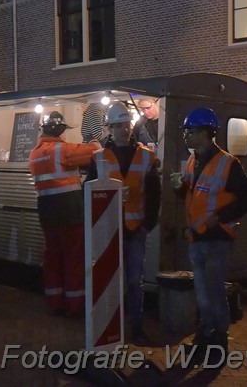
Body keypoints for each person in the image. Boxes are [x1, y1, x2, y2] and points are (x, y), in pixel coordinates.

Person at [170, 107, 247, 357]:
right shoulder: (193, 160)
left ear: (207, 133)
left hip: (217, 239)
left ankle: (219, 340)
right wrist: (179, 187)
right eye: (186, 131)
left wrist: (218, 218)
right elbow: (192, 196)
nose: (186, 135)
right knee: (203, 291)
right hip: (197, 238)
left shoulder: (228, 163)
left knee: (213, 290)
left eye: (191, 131)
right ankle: (206, 335)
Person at [85, 103, 161, 340]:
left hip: (135, 229)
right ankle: (111, 329)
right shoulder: (98, 158)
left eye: (126, 125)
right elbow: (87, 191)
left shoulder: (147, 157)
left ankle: (136, 328)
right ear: (110, 128)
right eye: (118, 126)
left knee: (134, 281)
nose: (123, 130)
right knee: (111, 281)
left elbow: (155, 192)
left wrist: (148, 223)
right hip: (109, 230)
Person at [28, 111, 101, 316]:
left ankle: (55, 302)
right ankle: (75, 306)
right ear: (60, 132)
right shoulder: (62, 150)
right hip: (69, 212)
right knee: (73, 260)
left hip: (47, 213)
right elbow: (94, 152)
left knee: (53, 258)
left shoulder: (34, 153)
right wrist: (96, 141)